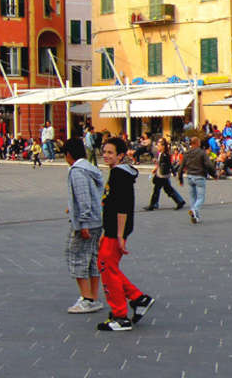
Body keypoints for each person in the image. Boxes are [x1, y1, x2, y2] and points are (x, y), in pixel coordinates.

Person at [96, 137, 154, 332]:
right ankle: (138, 298)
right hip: (112, 229)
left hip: (116, 230)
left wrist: (119, 235)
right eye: (104, 152)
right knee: (108, 266)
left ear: (120, 155)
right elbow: (110, 205)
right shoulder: (118, 173)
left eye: (110, 152)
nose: (105, 155)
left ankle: (121, 316)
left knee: (107, 268)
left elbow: (122, 207)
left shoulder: (119, 175)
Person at [62, 137, 104, 314]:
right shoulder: (90, 169)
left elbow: (84, 197)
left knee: (76, 256)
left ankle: (86, 298)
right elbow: (94, 194)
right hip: (97, 219)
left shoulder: (76, 171)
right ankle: (93, 296)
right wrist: (72, 208)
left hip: (86, 222)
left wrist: (84, 221)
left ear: (68, 154)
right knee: (93, 257)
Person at [178, 137, 216, 223]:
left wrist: (180, 178)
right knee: (201, 197)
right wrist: (214, 174)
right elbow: (208, 165)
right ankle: (195, 210)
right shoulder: (201, 153)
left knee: (192, 197)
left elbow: (181, 166)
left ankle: (195, 216)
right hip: (199, 176)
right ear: (197, 143)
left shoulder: (186, 153)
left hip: (190, 176)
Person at [144, 139, 185, 211]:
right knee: (166, 189)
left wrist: (172, 172)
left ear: (163, 146)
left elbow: (168, 164)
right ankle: (179, 201)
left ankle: (153, 205)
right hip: (163, 174)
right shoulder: (163, 154)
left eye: (159, 145)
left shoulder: (165, 154)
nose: (157, 147)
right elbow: (166, 164)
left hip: (162, 175)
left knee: (158, 189)